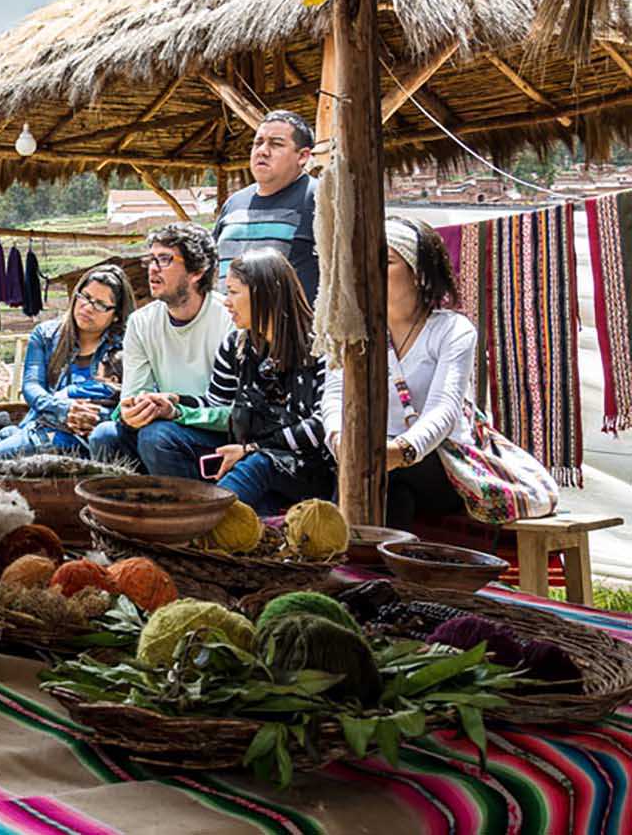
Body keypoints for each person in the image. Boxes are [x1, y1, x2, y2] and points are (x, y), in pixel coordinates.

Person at [322, 217, 484, 530]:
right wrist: (340, 439)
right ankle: (367, 568)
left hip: (443, 462)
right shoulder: (355, 330)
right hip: (374, 459)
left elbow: (444, 409)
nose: (372, 269)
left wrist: (401, 451)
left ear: (419, 273)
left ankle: (346, 565)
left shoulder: (452, 330)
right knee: (391, 491)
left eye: (387, 261)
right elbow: (333, 394)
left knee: (390, 476)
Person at [176, 249, 333, 513]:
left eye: (233, 292)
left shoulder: (320, 348)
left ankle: (201, 523)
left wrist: (252, 449)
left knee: (258, 463)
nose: (226, 302)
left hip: (305, 468)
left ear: (264, 293)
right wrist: (174, 404)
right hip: (247, 452)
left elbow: (321, 426)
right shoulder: (235, 345)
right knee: (161, 436)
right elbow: (216, 402)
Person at [91, 223, 234, 476]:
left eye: (165, 259)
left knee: (156, 437)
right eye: (151, 260)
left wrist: (178, 412)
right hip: (165, 426)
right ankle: (126, 512)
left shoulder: (230, 319)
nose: (153, 269)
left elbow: (237, 415)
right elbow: (132, 395)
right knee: (104, 435)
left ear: (197, 271)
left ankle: (184, 512)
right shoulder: (141, 322)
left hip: (218, 436)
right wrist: (132, 412)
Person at [0, 267, 132, 462]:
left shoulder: (126, 346)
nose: (87, 307)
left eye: (101, 305)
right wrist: (64, 408)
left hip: (92, 433)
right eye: (85, 297)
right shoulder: (46, 334)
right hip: (47, 423)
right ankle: (13, 434)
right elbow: (32, 387)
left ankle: (12, 434)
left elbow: (130, 396)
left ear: (116, 315)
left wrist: (91, 417)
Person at [213, 109, 319, 300]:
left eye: (276, 144)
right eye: (258, 142)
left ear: (302, 156)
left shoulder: (318, 199)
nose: (263, 151)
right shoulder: (234, 204)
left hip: (292, 327)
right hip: (232, 326)